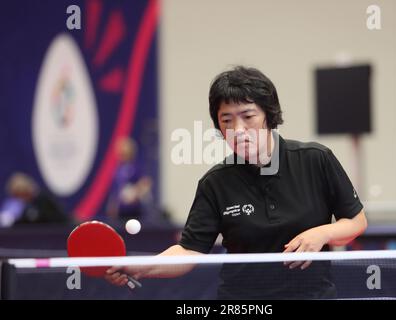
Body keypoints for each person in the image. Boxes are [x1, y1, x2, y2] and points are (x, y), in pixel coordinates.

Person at [105, 66, 368, 299]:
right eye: (227, 120)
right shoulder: (215, 183)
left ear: (269, 115)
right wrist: (138, 266)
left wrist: (322, 233)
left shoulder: (316, 160)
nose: (238, 130)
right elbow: (189, 251)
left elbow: (356, 221)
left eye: (248, 116)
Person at [107, 137, 153, 222]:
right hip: (121, 211)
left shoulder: (137, 167)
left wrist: (135, 193)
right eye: (121, 152)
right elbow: (116, 190)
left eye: (125, 152)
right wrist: (113, 205)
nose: (122, 154)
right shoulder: (117, 169)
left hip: (135, 211)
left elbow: (146, 183)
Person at [0, 172, 68, 226]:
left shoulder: (43, 200)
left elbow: (60, 220)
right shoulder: (16, 206)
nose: (19, 199)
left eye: (20, 195)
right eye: (15, 196)